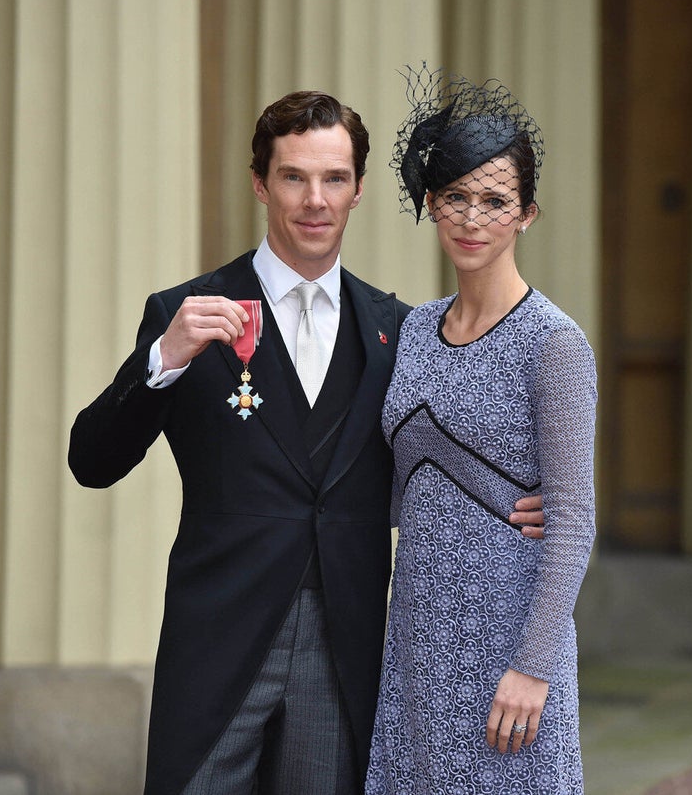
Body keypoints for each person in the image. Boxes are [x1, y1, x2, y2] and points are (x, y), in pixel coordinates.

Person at [68, 89, 545, 795]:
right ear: (262, 185)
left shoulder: (399, 332)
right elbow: (92, 460)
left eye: (334, 179)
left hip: (342, 650)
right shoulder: (185, 313)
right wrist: (162, 361)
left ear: (357, 192)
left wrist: (510, 505)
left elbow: (432, 461)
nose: (314, 200)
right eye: (294, 177)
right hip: (217, 647)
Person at [365, 66, 597, 794]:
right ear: (431, 205)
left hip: (511, 640)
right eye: (457, 198)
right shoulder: (414, 330)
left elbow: (573, 520)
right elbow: (401, 483)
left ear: (527, 215)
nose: (473, 218)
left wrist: (532, 668)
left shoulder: (554, 344)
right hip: (418, 634)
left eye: (495, 201)